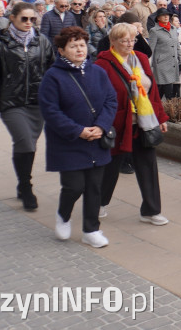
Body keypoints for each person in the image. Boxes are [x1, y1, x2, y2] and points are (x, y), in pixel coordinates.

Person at [39, 27, 117, 248]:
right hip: (69, 142)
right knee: (74, 186)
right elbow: (50, 111)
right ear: (62, 51)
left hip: (97, 140)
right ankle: (63, 215)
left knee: (94, 187)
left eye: (82, 44)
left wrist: (101, 126)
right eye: (73, 46)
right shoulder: (53, 77)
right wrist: (78, 131)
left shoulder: (97, 72)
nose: (79, 49)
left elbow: (111, 100)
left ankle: (91, 230)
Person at [0, 2, 54, 211]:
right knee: (25, 142)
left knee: (28, 145)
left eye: (32, 19)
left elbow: (52, 71)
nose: (29, 23)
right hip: (11, 103)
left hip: (37, 103)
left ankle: (22, 184)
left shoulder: (42, 42)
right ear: (12, 18)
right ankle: (26, 186)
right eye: (24, 19)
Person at [95, 23, 169, 226]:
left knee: (148, 166)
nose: (129, 44)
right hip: (117, 124)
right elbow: (99, 97)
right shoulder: (103, 64)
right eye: (124, 40)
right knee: (111, 166)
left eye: (133, 39)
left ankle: (151, 210)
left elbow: (152, 91)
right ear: (113, 42)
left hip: (143, 122)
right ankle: (99, 202)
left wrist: (160, 118)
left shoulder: (142, 59)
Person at [147, 8, 181, 100]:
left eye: (167, 15)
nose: (166, 17)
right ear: (158, 18)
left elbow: (177, 46)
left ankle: (156, 106)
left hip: (173, 63)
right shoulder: (154, 31)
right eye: (163, 15)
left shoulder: (173, 29)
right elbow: (150, 49)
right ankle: (167, 108)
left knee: (164, 88)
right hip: (161, 64)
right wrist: (148, 65)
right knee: (167, 89)